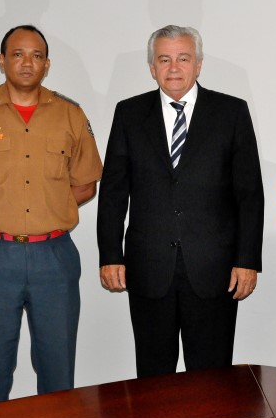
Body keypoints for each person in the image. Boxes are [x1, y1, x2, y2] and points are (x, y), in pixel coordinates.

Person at [0, 25, 102, 405]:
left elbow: (86, 183)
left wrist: (48, 207)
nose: (28, 62)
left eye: (37, 55)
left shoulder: (70, 114)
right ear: (1, 61)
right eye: (18, 54)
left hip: (55, 258)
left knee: (58, 370)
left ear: (47, 64)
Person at [97, 25, 264, 378]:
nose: (174, 68)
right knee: (153, 378)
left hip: (214, 271)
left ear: (199, 64)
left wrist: (247, 260)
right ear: (152, 68)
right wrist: (110, 255)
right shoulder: (129, 113)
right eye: (164, 59)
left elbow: (249, 194)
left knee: (211, 380)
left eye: (183, 58)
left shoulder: (231, 113)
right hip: (148, 269)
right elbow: (113, 191)